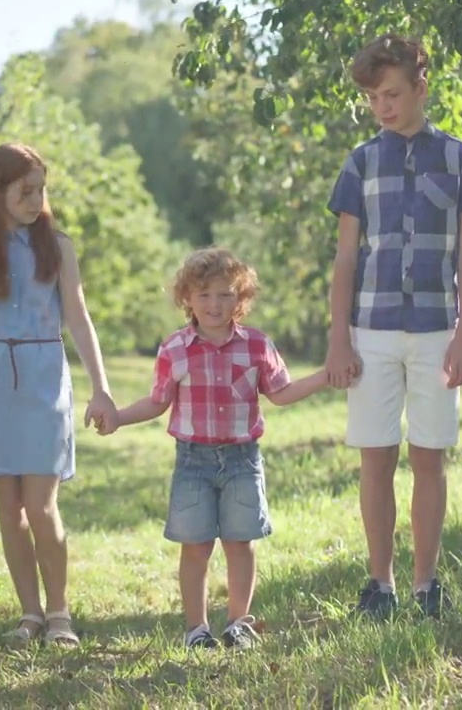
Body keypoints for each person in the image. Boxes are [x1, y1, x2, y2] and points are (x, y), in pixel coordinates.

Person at [324, 33, 462, 620]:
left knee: (428, 457)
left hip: (435, 332)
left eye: (392, 93)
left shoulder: (458, 158)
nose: (383, 107)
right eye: (373, 97)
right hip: (370, 330)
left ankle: (426, 584)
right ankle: (381, 584)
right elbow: (346, 257)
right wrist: (338, 335)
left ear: (422, 86)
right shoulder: (361, 162)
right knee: (376, 457)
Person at [99, 248, 328, 650]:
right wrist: (117, 417)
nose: (214, 304)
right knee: (197, 545)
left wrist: (326, 376)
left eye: (225, 295)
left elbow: (282, 392)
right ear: (186, 298)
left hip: (242, 459)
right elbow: (158, 402)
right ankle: (196, 629)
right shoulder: (175, 349)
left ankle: (239, 623)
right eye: (203, 295)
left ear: (241, 298)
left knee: (241, 542)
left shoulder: (257, 345)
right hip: (193, 462)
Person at [0, 142, 117, 646]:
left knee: (41, 504)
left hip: (43, 377)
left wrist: (100, 388)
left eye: (41, 189)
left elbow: (79, 319)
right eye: (25, 190)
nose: (36, 199)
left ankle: (59, 612)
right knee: (9, 506)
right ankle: (30, 613)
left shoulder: (57, 246)